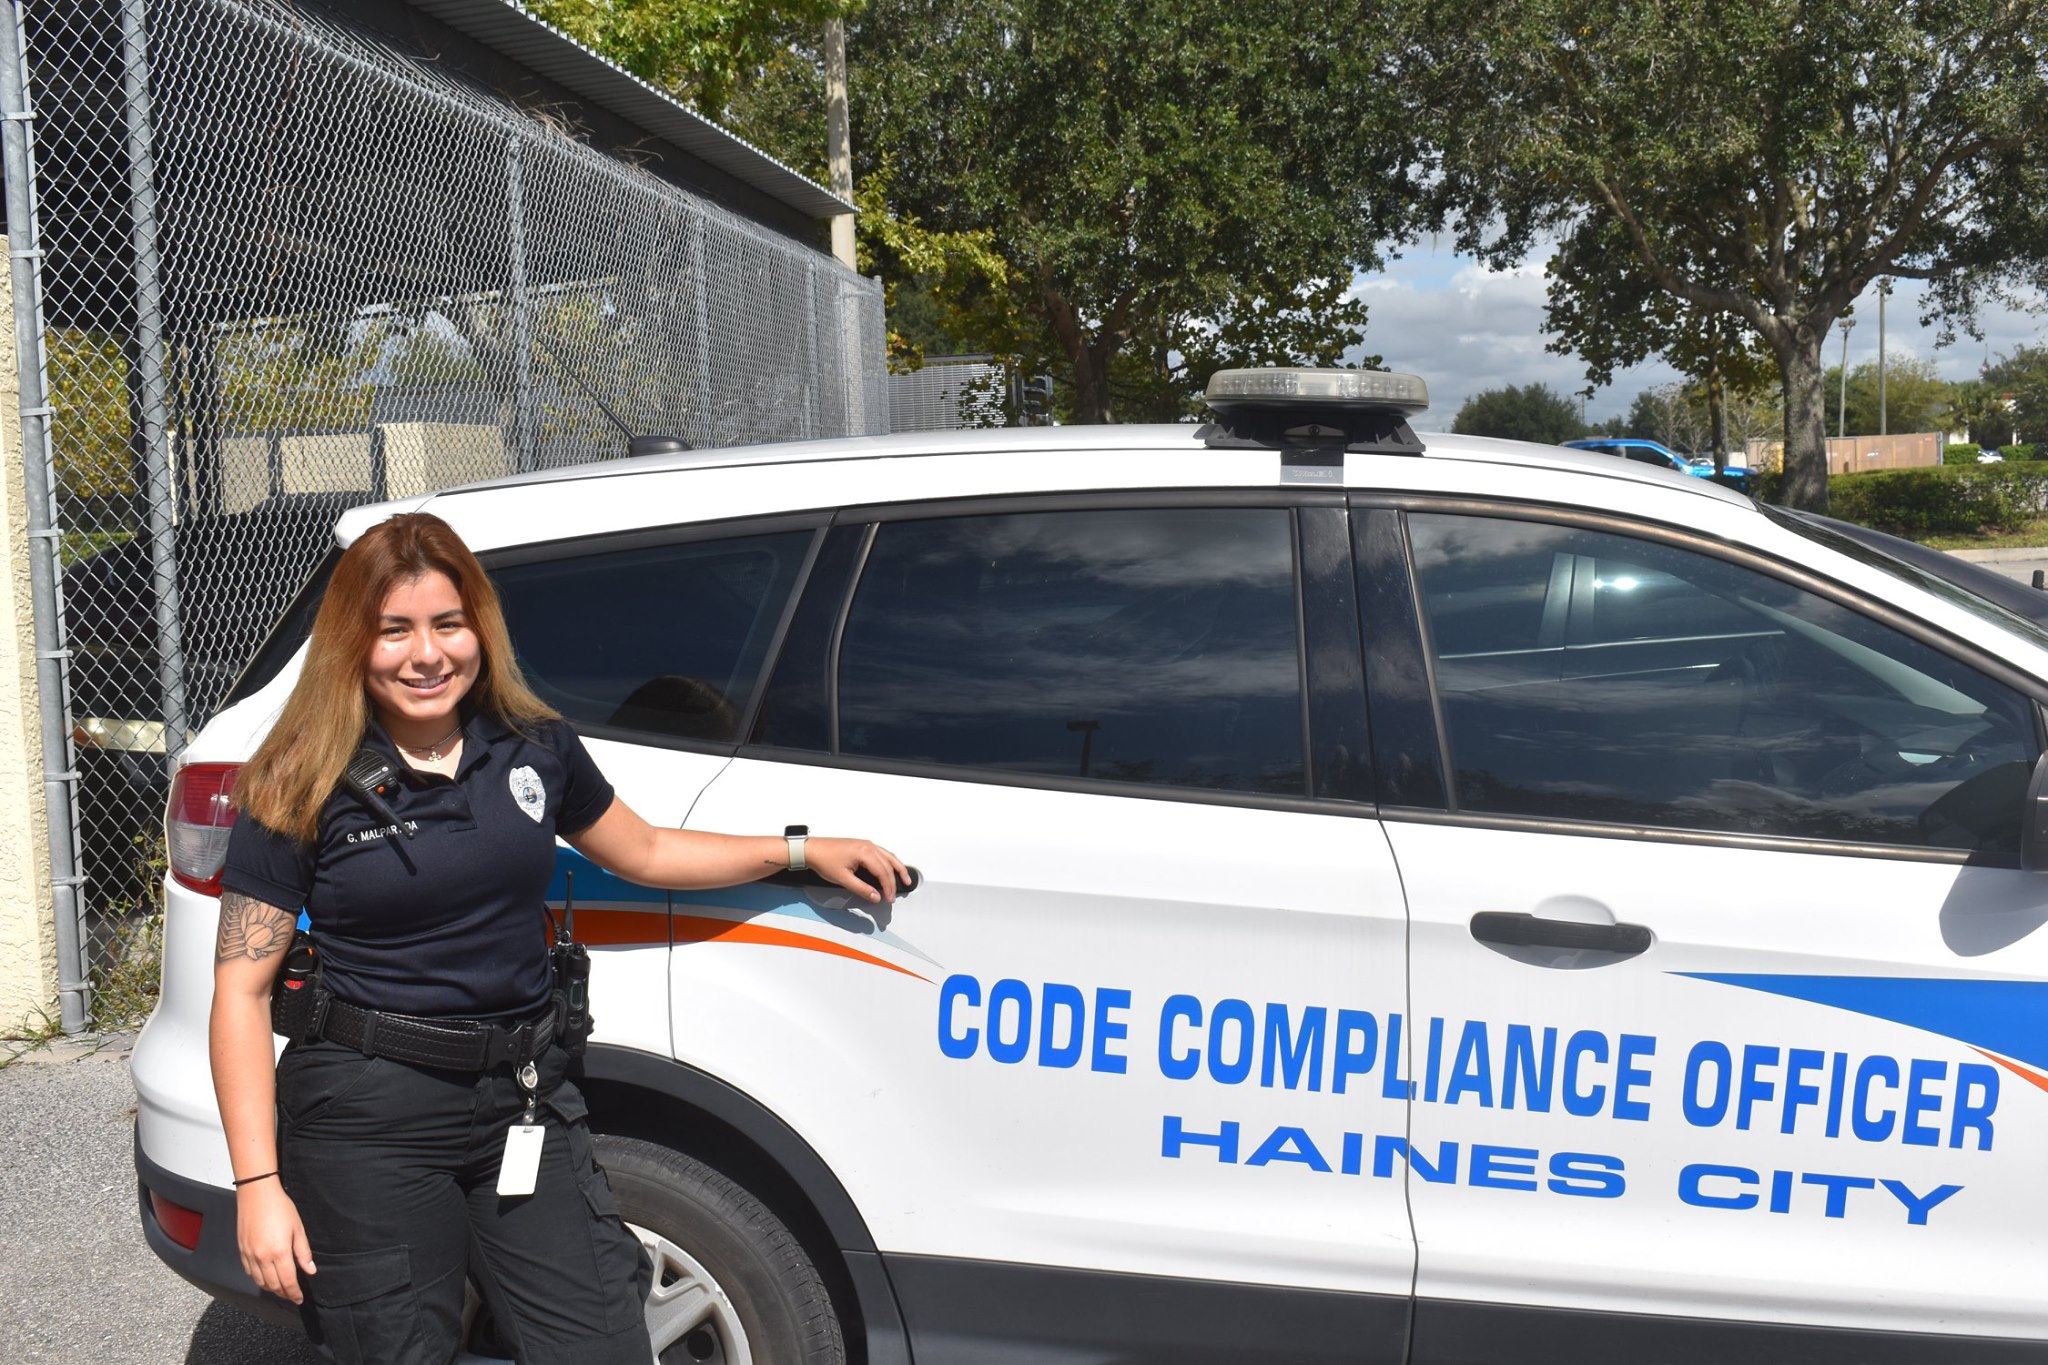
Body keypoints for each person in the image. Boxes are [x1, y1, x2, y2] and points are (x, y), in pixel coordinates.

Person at [209, 511, 908, 1364]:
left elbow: (645, 850)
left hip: (523, 1095)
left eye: (448, 624)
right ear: (353, 640)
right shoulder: (298, 777)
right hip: (369, 1115)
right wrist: (257, 1184)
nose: (427, 654)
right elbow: (241, 991)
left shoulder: (533, 745)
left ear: (479, 627)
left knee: (601, 1342)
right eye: (394, 630)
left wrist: (797, 851)